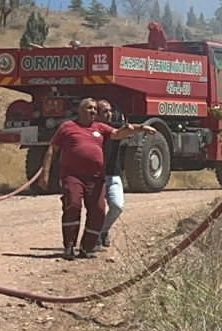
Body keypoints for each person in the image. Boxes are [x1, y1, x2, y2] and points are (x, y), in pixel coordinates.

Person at [37, 98, 152, 259]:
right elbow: (52, 149)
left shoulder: (100, 127)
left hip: (96, 178)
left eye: (94, 109)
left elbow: (118, 134)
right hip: (72, 176)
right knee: (73, 206)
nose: (93, 111)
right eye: (89, 108)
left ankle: (87, 247)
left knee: (98, 211)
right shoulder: (67, 127)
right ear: (80, 110)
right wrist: (45, 173)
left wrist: (139, 128)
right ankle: (69, 246)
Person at [93, 100, 126, 247]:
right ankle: (92, 238)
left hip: (113, 175)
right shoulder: (89, 130)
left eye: (110, 110)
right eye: (105, 111)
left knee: (117, 206)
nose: (109, 114)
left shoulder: (116, 129)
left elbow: (126, 132)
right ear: (97, 114)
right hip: (95, 177)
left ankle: (103, 231)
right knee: (96, 210)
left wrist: (140, 128)